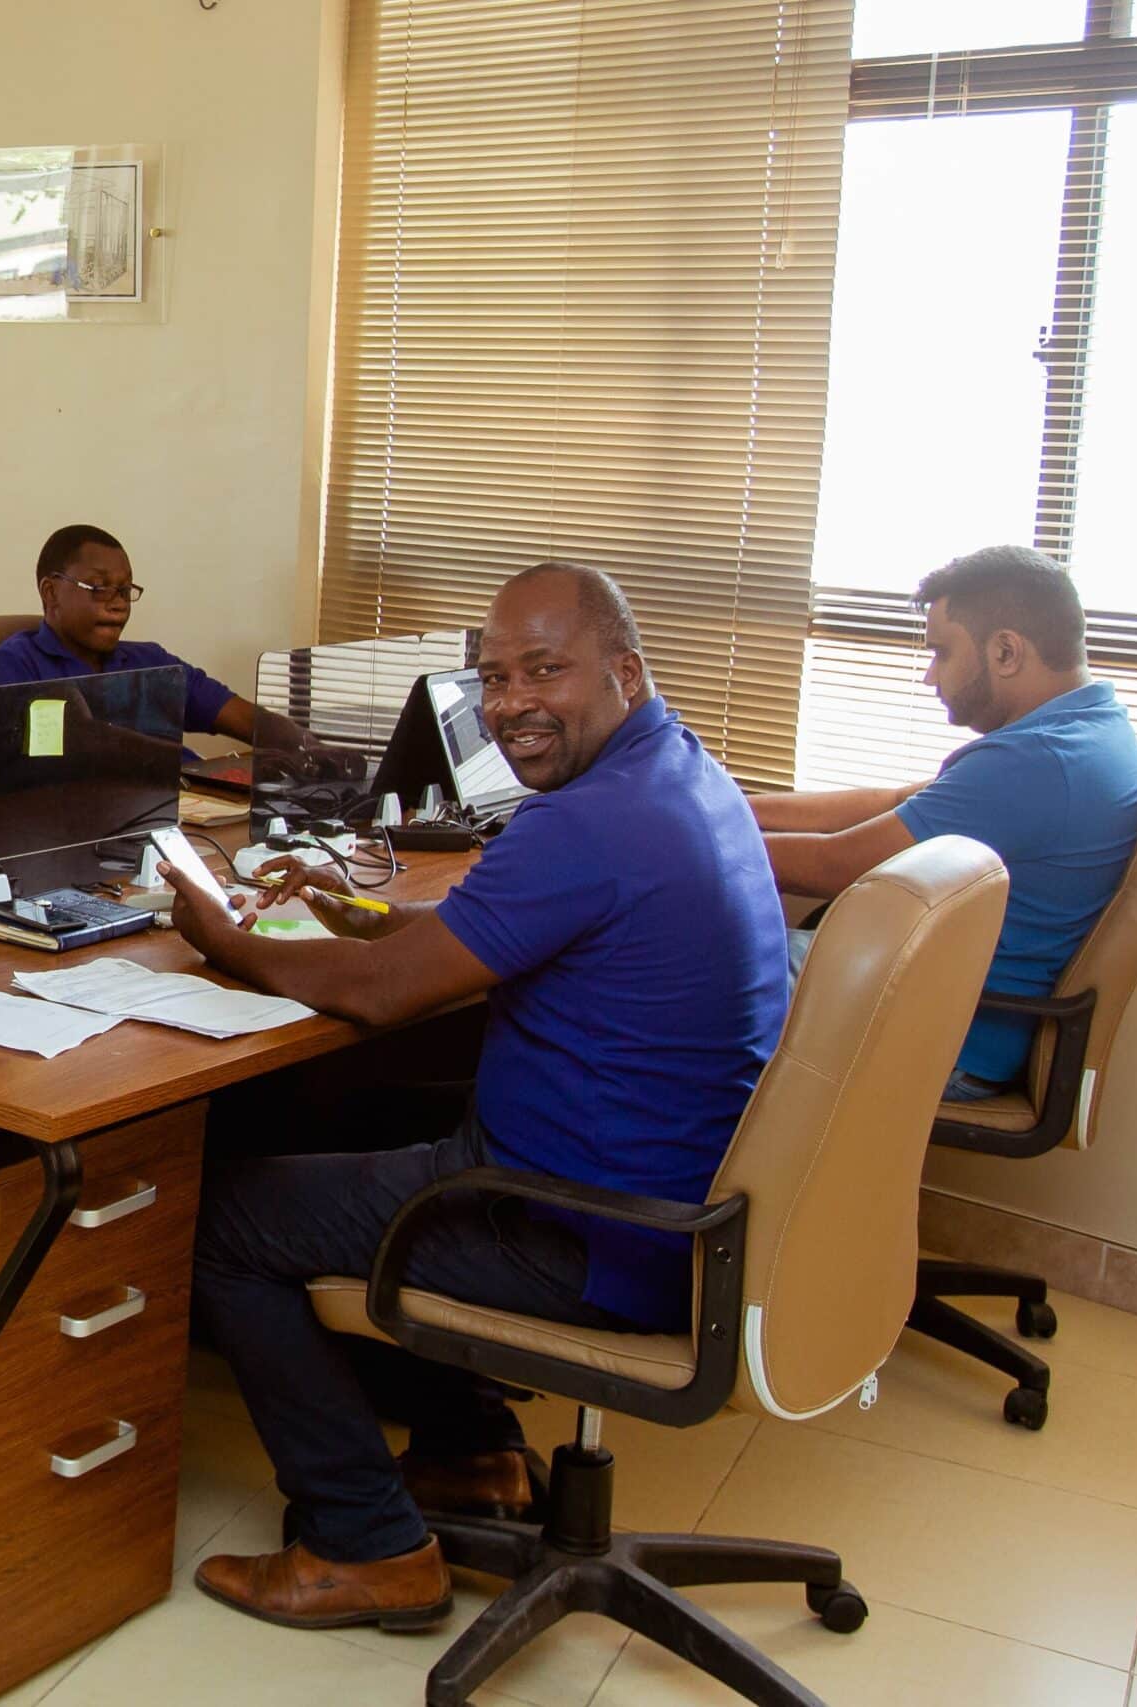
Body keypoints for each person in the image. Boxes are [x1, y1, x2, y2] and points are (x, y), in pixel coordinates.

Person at [157, 562, 786, 1632]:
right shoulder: (675, 773)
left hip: (581, 1227)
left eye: (545, 670)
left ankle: (364, 1543)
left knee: (221, 1221)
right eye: (492, 677)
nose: (507, 705)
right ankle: (472, 1453)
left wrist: (218, 929)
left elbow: (375, 999)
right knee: (332, 1115)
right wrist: (356, 919)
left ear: (623, 672)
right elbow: (461, 944)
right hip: (661, 1192)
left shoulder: (583, 824)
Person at [750, 544, 1137, 1101]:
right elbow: (891, 802)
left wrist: (678, 837)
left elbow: (833, 864)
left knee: (665, 963)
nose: (929, 675)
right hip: (948, 1006)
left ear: (1006, 651)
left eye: (941, 652)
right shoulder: (1086, 730)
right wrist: (735, 805)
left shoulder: (1034, 763)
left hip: (941, 1031)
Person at [0, 524, 281, 744]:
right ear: (51, 592)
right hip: (86, 823)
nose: (119, 604)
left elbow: (241, 717)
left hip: (188, 815)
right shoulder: (15, 665)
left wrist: (311, 751)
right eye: (99, 588)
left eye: (124, 590)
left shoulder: (150, 662)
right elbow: (10, 772)